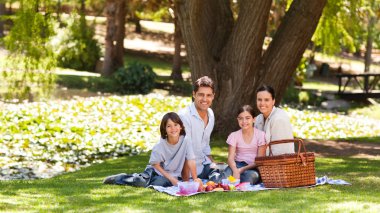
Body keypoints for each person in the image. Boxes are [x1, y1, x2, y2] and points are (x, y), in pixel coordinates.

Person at [103, 112, 200, 187]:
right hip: (154, 170)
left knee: (160, 184)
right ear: (164, 129)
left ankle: (152, 181)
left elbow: (191, 160)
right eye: (169, 126)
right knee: (140, 182)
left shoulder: (186, 140)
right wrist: (172, 179)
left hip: (169, 174)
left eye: (175, 125)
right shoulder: (160, 146)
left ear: (180, 127)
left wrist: (195, 179)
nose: (173, 128)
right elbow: (156, 165)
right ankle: (121, 178)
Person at [178, 76, 220, 181]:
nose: (205, 99)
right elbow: (184, 151)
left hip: (203, 165)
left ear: (213, 96)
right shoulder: (184, 116)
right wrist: (189, 180)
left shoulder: (210, 114)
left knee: (223, 176)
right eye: (201, 95)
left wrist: (213, 163)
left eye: (208, 95)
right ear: (194, 94)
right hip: (184, 168)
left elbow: (205, 144)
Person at [222, 105, 266, 184]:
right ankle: (216, 173)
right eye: (241, 118)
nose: (244, 121)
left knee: (249, 178)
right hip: (237, 165)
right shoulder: (234, 135)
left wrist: (241, 170)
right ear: (237, 120)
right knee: (220, 180)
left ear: (254, 119)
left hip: (253, 167)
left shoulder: (261, 135)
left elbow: (259, 161)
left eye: (247, 118)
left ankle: (235, 179)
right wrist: (235, 170)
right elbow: (230, 159)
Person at [254, 85, 295, 155]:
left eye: (266, 100)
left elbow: (279, 152)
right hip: (260, 160)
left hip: (278, 163)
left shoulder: (279, 119)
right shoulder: (258, 118)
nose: (262, 103)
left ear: (273, 101)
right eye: (259, 99)